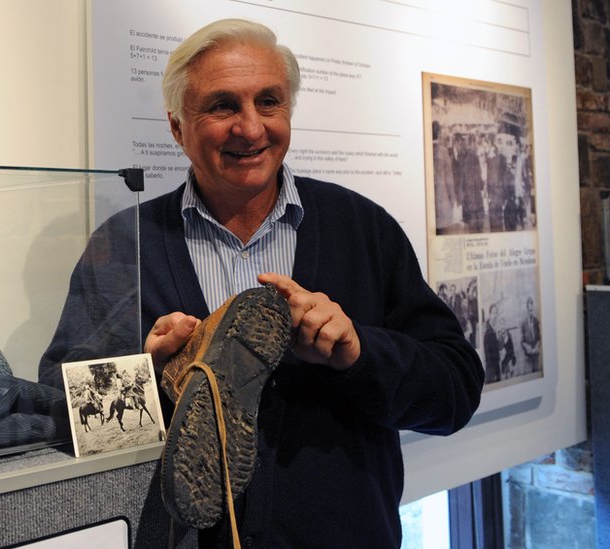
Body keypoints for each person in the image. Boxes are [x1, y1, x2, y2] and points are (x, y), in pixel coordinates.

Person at [39, 18, 483, 548]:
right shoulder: (126, 244)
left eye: (268, 102)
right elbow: (60, 414)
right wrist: (149, 374)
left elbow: (455, 392)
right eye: (222, 106)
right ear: (178, 127)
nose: (250, 128)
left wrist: (359, 352)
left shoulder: (362, 229)